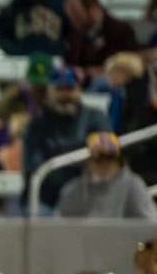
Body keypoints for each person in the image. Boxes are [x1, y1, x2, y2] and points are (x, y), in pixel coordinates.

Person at [24, 67, 113, 212]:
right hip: (48, 199)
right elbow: (33, 165)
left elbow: (108, 157)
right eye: (60, 89)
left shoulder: (95, 118)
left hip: (89, 196)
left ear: (79, 90)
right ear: (50, 91)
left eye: (70, 89)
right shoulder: (37, 124)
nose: (65, 95)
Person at [55, 132, 154, 221]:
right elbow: (60, 228)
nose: (106, 164)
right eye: (99, 159)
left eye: (111, 158)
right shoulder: (72, 189)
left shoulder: (133, 185)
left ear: (119, 160)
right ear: (88, 161)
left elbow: (150, 226)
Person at [62, 0, 139, 83]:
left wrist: (95, 71)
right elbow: (70, 64)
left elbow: (132, 67)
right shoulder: (76, 34)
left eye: (76, 13)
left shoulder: (121, 30)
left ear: (93, 8)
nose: (73, 19)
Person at [105, 53, 157, 186]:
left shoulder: (134, 94)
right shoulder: (121, 94)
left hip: (141, 159)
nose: (110, 81)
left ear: (127, 72)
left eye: (114, 74)